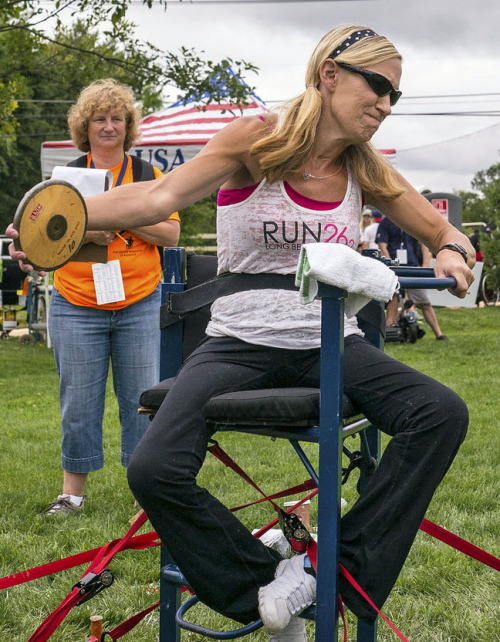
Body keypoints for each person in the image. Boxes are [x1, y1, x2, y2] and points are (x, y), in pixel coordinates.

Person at [8, 27, 475, 640]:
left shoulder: (364, 166)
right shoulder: (258, 138)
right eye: (379, 87)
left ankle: (329, 573)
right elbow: (158, 197)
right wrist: (68, 215)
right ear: (330, 75)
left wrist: (454, 251)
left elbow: (443, 231)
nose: (387, 104)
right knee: (153, 470)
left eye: (395, 95)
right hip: (238, 343)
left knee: (440, 412)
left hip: (328, 345)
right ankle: (263, 586)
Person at [12, 79, 181, 516]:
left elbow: (171, 231)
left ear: (129, 127)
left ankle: (147, 493)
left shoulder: (148, 177)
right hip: (75, 303)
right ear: (83, 128)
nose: (108, 127)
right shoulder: (64, 181)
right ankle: (72, 494)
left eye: (117, 119)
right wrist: (80, 231)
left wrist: (124, 216)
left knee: (143, 399)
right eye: (99, 119)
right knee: (78, 401)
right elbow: (45, 239)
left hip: (140, 301)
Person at [376, 214, 449, 339]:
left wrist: (425, 264)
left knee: (424, 302)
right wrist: (389, 264)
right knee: (394, 298)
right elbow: (382, 246)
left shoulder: (413, 221)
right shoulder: (386, 222)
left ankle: (439, 334)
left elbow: (425, 244)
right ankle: (389, 330)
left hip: (413, 266)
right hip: (395, 268)